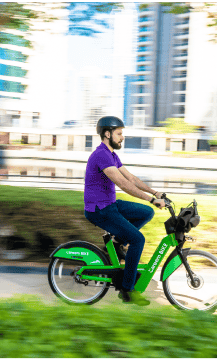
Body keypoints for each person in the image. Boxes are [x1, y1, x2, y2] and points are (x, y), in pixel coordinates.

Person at [84, 116, 166, 306]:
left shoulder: (111, 154)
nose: (122, 137)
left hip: (110, 204)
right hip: (100, 210)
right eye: (119, 134)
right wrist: (152, 200)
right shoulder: (101, 155)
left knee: (146, 213)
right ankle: (128, 290)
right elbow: (123, 184)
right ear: (107, 134)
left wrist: (155, 192)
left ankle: (117, 243)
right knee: (138, 239)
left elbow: (131, 178)